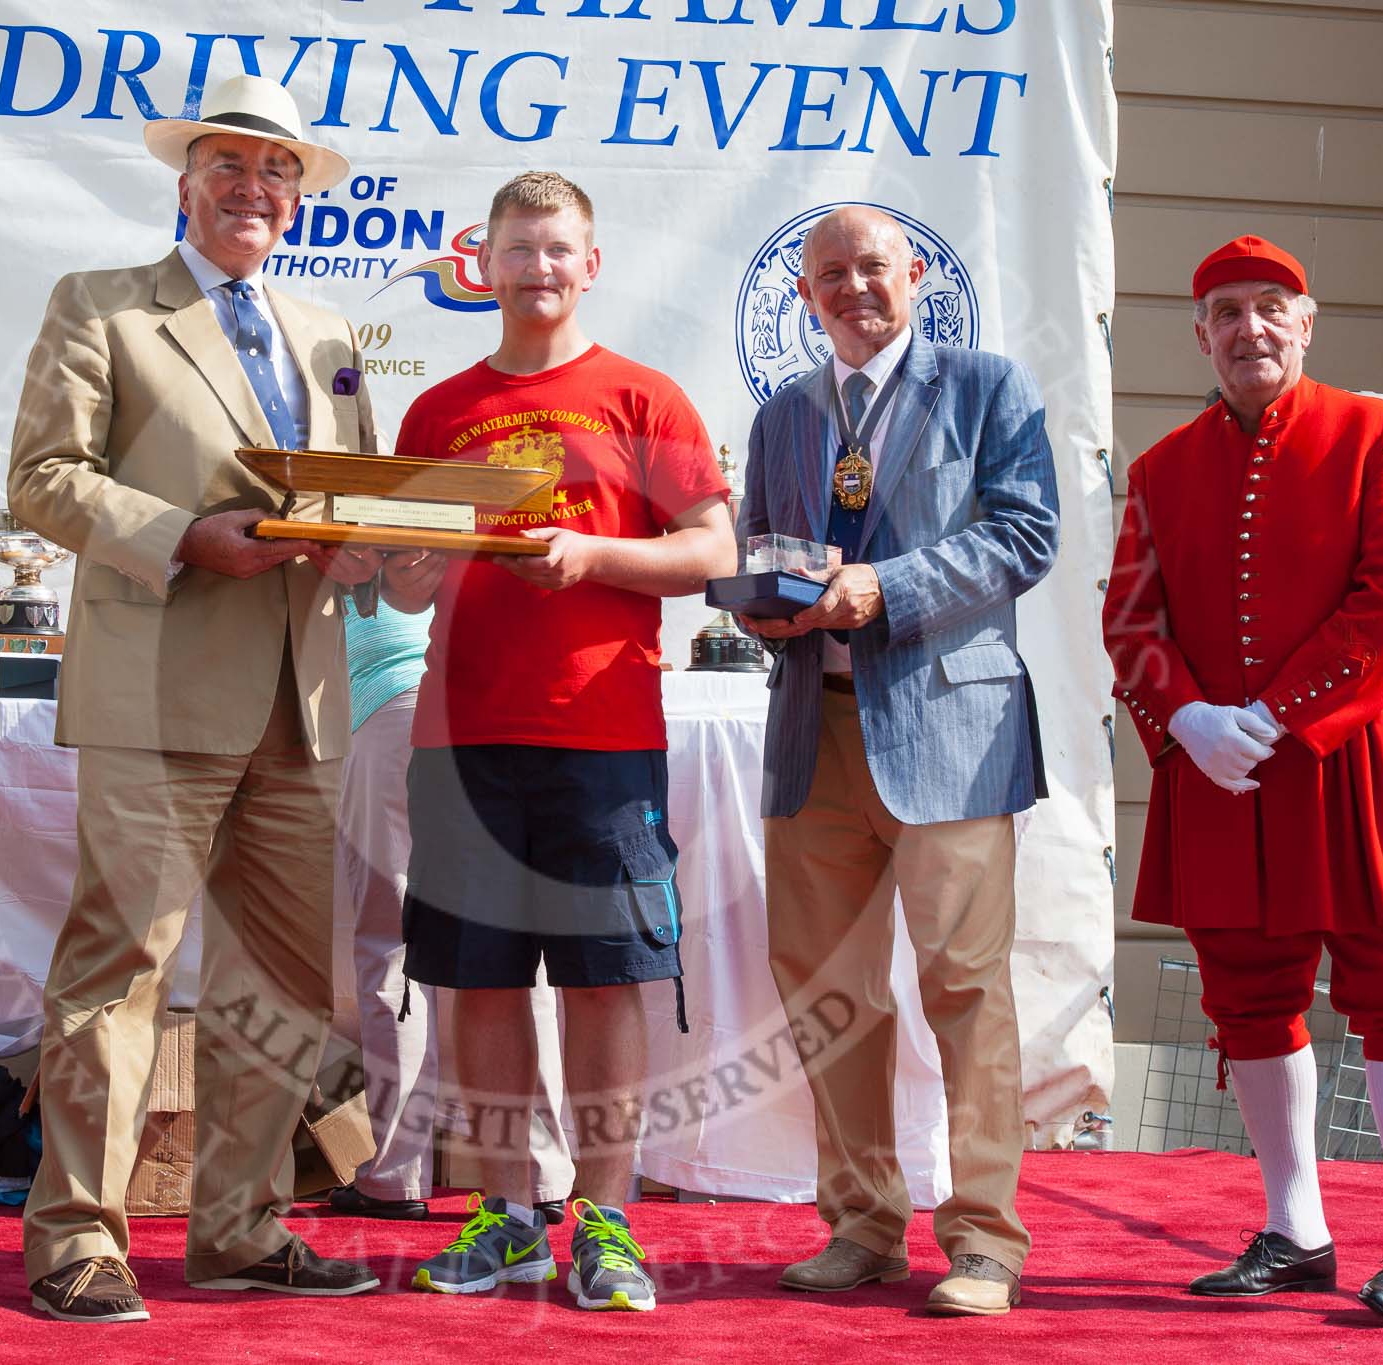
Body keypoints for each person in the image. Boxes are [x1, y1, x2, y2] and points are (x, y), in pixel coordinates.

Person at [6, 75, 383, 1321]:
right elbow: (42, 478)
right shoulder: (101, 305)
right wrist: (181, 536)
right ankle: (76, 1240)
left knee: (281, 987)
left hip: (300, 700)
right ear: (185, 185)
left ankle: (239, 1228)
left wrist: (374, 543)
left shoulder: (326, 333)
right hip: (155, 691)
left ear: (298, 199)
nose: (253, 189)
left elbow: (349, 496)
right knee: (119, 972)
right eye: (229, 165)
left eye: (277, 172)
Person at [1103, 234, 1383, 1329]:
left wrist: (1275, 716)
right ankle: (1295, 1229)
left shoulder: (1382, 438)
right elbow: (1128, 619)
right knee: (1245, 994)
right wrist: (1183, 716)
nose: (1249, 329)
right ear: (1200, 335)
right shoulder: (1159, 469)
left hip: (1358, 754)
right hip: (1218, 766)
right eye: (1226, 312)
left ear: (1306, 324)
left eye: (1270, 308)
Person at [381, 171, 734, 1313]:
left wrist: (595, 557)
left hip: (602, 735)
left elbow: (713, 549)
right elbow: (403, 584)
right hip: (461, 738)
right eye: (517, 249)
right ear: (481, 265)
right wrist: (403, 563)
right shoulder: (436, 411)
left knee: (602, 981)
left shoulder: (643, 398)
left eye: (556, 249)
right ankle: (504, 1215)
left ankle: (606, 1220)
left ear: (591, 265)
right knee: (476, 982)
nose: (537, 268)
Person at [735, 206, 1058, 1317]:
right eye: (829, 274)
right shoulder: (782, 414)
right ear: (805, 294)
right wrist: (761, 606)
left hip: (949, 733)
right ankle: (863, 1226)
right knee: (828, 993)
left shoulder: (987, 387)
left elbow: (1025, 536)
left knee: (965, 989)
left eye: (871, 267)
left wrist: (885, 586)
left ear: (913, 273)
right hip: (809, 730)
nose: (853, 288)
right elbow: (760, 547)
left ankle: (984, 1243)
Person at [325, 596, 575, 1224]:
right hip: (489, 702)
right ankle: (542, 1174)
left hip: (390, 699)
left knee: (391, 943)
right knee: (520, 949)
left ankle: (396, 1174)